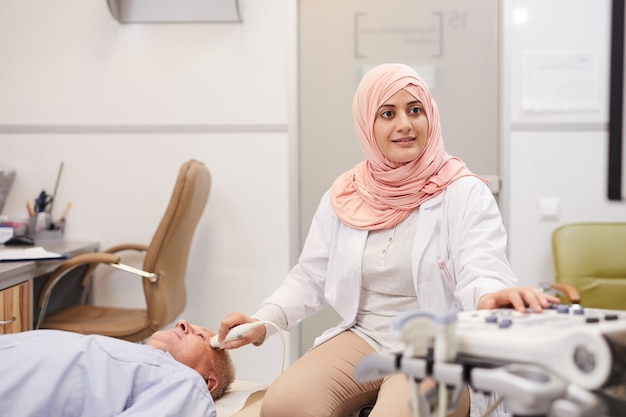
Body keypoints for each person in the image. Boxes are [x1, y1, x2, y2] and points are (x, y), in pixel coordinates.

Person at [215, 63, 560, 417]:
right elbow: (311, 276)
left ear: (431, 115)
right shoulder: (347, 193)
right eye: (387, 113)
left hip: (439, 342)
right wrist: (263, 322)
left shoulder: (464, 192)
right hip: (366, 336)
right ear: (367, 124)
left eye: (415, 110)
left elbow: (481, 267)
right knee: (285, 404)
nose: (404, 124)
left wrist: (490, 297)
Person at [0, 319, 235, 417]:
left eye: (201, 337)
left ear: (207, 382)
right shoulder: (130, 355)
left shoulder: (186, 383)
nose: (182, 323)